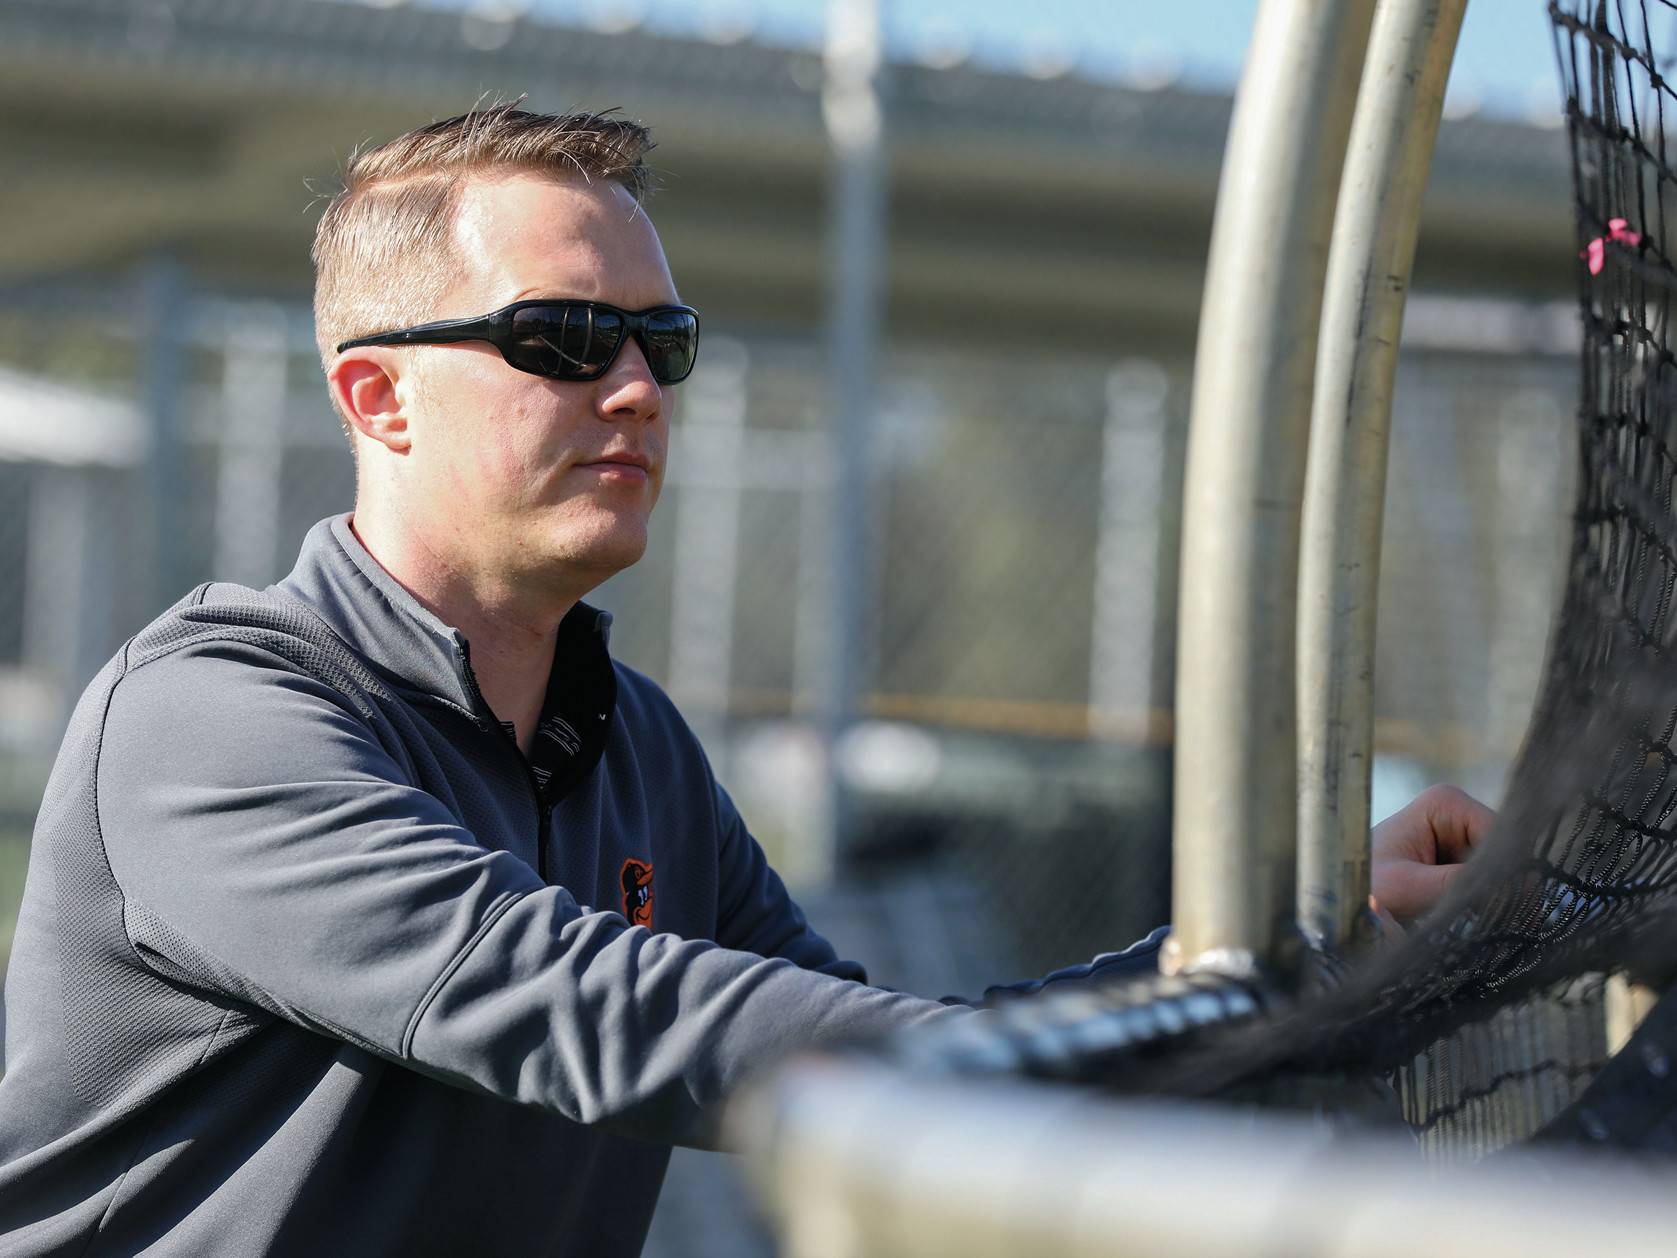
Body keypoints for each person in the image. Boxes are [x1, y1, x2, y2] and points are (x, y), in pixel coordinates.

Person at [0, 106, 1491, 1257]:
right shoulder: (212, 716)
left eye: (662, 339)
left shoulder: (631, 738)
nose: (636, 385)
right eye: (566, 338)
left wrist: (1280, 952)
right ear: (376, 394)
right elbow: (583, 1003)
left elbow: (893, 1049)